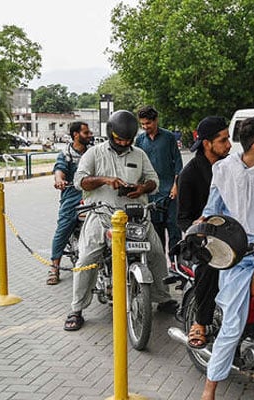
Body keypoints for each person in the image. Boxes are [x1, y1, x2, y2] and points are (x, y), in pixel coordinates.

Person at [63, 110, 174, 331]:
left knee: (157, 253)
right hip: (102, 216)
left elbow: (153, 181)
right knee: (86, 259)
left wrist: (141, 188)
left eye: (128, 140)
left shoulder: (139, 154)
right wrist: (105, 180)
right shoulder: (94, 153)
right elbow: (80, 181)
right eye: (119, 139)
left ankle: (162, 297)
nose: (124, 143)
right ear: (110, 134)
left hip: (136, 216)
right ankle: (76, 309)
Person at [200, 114, 254, 400]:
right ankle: (210, 388)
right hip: (237, 256)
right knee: (232, 323)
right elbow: (213, 212)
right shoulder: (224, 170)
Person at [176, 116, 232, 349]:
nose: (229, 145)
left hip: (230, 236)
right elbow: (182, 218)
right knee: (211, 267)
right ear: (207, 143)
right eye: (223, 140)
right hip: (200, 240)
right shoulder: (189, 174)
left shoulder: (230, 168)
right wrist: (200, 229)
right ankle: (201, 321)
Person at [47, 121, 93, 285]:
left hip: (92, 197)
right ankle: (54, 267)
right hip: (72, 197)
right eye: (86, 133)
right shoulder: (65, 153)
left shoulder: (93, 152)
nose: (90, 135)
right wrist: (59, 180)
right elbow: (59, 170)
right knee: (63, 229)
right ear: (76, 135)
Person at [135, 106, 183, 253]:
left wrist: (176, 186)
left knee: (174, 227)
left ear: (156, 120)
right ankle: (161, 263)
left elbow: (178, 163)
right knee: (156, 229)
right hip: (151, 193)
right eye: (142, 124)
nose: (145, 127)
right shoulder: (140, 140)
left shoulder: (168, 138)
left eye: (148, 123)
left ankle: (176, 263)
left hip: (169, 191)